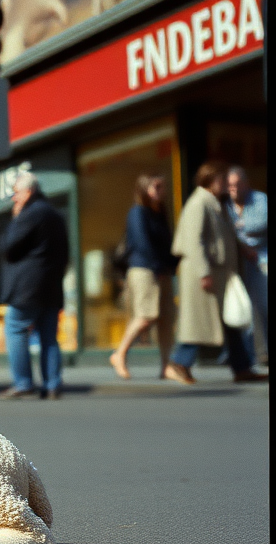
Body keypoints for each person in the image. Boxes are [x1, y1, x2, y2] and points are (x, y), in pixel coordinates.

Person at [166, 162, 264, 385]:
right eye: (221, 179)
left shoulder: (215, 203)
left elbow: (227, 235)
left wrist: (244, 249)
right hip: (204, 272)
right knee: (199, 322)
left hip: (220, 274)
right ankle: (179, 363)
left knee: (231, 320)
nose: (225, 184)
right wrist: (203, 273)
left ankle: (242, 368)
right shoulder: (199, 203)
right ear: (209, 179)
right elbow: (193, 241)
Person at [0, 172, 69, 400]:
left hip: (27, 287)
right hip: (51, 285)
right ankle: (52, 384)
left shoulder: (30, 214)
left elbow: (8, 246)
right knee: (49, 336)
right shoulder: (55, 215)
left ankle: (23, 382)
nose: (13, 199)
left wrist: (16, 218)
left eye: (16, 193)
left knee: (15, 328)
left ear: (28, 192)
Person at [109, 175, 179, 379]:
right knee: (145, 316)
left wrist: (172, 264)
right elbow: (141, 242)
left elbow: (166, 244)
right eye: (155, 186)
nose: (160, 190)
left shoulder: (160, 213)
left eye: (162, 186)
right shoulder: (137, 212)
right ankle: (119, 354)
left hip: (162, 271)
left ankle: (166, 365)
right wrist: (157, 266)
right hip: (143, 270)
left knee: (166, 319)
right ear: (144, 190)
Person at [226, 166, 267, 368]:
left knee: (263, 307)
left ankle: (262, 352)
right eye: (230, 185)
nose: (233, 189)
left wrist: (239, 228)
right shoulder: (226, 204)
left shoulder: (259, 199)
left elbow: (262, 221)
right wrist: (240, 240)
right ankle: (243, 354)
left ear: (246, 184)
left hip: (260, 261)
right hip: (237, 264)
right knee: (241, 308)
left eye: (237, 184)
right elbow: (225, 231)